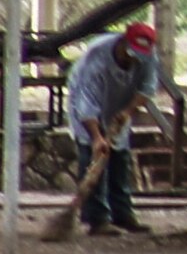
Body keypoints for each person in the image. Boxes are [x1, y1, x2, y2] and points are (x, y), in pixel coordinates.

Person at [66, 19, 161, 233]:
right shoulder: (96, 58)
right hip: (84, 104)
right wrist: (97, 137)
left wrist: (127, 112)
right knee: (94, 155)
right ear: (123, 42)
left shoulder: (148, 55)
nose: (136, 58)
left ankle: (122, 214)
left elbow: (147, 89)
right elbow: (86, 104)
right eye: (132, 52)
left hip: (120, 104)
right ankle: (97, 218)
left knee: (120, 155)